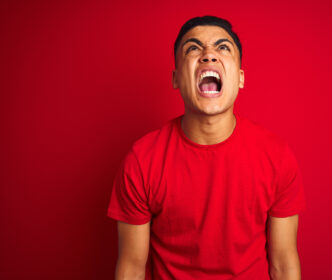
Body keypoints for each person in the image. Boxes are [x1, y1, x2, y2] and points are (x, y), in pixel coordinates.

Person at [107, 15, 306, 280]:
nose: (209, 55)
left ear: (240, 78)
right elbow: (131, 268)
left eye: (222, 48)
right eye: (193, 48)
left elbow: (284, 263)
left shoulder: (277, 156)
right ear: (176, 78)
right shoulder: (142, 159)